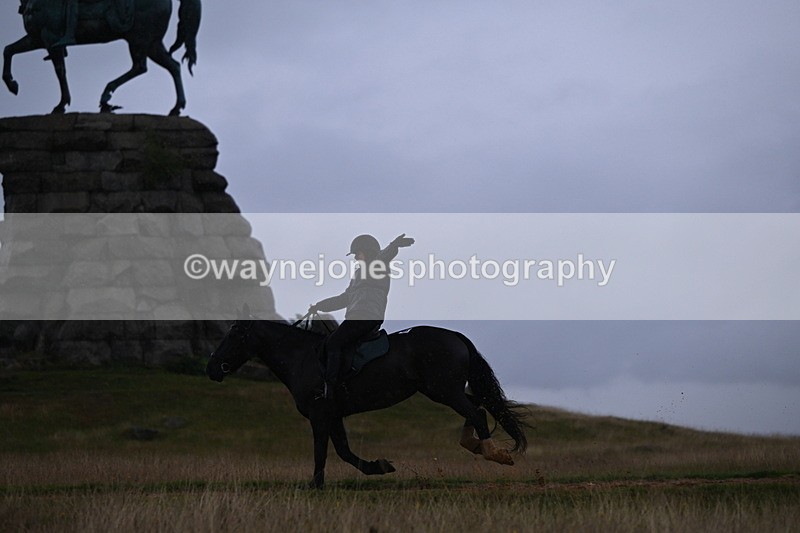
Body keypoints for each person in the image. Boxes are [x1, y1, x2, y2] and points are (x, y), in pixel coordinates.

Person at [309, 233, 414, 400]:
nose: (356, 257)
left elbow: (385, 255)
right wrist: (320, 305)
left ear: (368, 251)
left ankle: (330, 390)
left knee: (333, 343)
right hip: (355, 317)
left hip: (366, 316)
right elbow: (344, 298)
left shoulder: (377, 265)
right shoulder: (358, 275)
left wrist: (395, 244)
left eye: (358, 253)